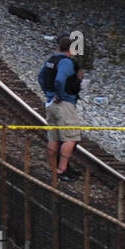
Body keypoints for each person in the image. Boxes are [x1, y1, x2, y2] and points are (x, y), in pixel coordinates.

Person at [39, 36, 83, 182]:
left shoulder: (51, 60)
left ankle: (53, 169)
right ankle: (61, 170)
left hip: (50, 104)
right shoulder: (66, 62)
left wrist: (49, 94)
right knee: (71, 138)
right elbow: (59, 80)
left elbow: (41, 78)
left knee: (54, 137)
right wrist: (59, 95)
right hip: (63, 103)